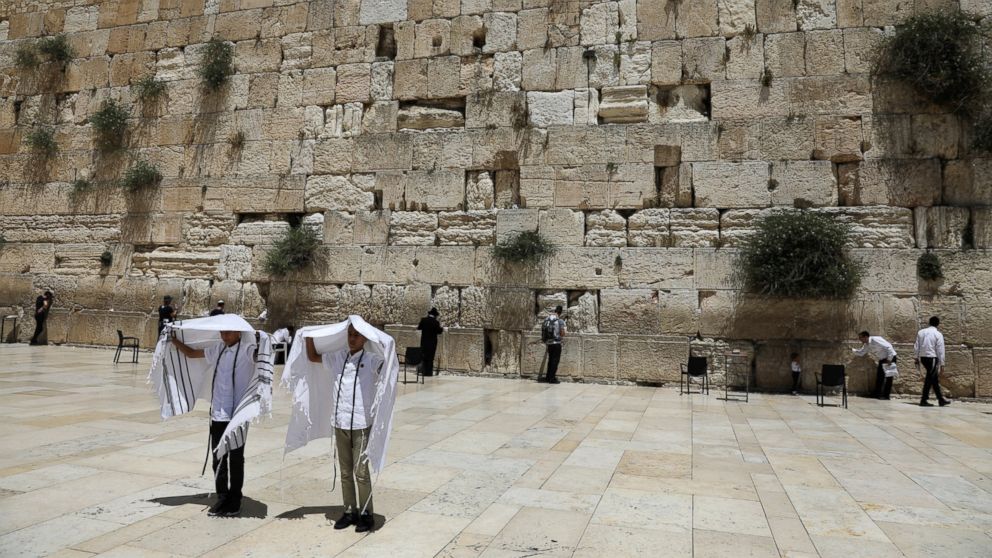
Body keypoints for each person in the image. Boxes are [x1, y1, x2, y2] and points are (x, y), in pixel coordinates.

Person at [304, 323, 384, 533]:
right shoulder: (338, 357)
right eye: (349, 334)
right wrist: (309, 335)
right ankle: (350, 511)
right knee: (345, 472)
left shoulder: (372, 360)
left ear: (365, 338)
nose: (352, 339)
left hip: (360, 424)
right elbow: (313, 357)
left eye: (356, 335)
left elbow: (389, 365)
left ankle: (367, 513)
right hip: (340, 422)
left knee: (361, 472)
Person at [171, 327, 258, 517]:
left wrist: (263, 339)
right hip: (219, 412)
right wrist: (174, 341)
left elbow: (263, 355)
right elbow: (193, 354)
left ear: (238, 333)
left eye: (228, 332)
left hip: (238, 414)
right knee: (218, 457)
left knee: (236, 457)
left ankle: (235, 499)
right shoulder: (218, 349)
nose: (224, 336)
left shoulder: (247, 349)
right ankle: (222, 497)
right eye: (222, 332)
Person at [915, 316, 951, 407]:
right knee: (929, 379)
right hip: (932, 358)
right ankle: (924, 400)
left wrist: (916, 357)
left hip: (923, 358)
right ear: (938, 324)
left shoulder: (921, 332)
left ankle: (940, 399)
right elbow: (940, 350)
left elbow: (916, 345)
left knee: (933, 379)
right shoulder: (938, 334)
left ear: (929, 322)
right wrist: (942, 363)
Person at [852, 331, 897, 400]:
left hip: (889, 358)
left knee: (889, 377)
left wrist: (889, 359)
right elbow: (861, 353)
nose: (860, 339)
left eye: (861, 337)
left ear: (866, 337)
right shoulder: (867, 345)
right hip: (882, 359)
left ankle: (886, 396)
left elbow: (889, 347)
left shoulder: (875, 339)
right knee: (880, 376)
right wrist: (853, 350)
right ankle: (877, 394)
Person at [541, 306, 566, 384]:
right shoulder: (560, 321)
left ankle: (548, 377)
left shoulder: (547, 319)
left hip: (549, 343)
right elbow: (562, 334)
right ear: (560, 312)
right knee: (555, 361)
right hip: (556, 343)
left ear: (555, 310)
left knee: (550, 360)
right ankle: (552, 378)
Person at [416, 308, 444, 377]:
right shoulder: (436, 322)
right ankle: (429, 373)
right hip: (432, 343)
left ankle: (423, 372)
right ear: (435, 315)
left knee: (424, 356)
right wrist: (442, 328)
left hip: (424, 342)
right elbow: (439, 331)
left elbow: (419, 327)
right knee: (430, 358)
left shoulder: (423, 320)